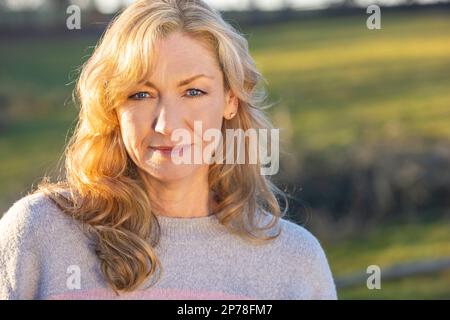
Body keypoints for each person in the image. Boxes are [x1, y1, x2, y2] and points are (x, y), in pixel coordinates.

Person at [0, 0, 337, 300]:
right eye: (141, 94)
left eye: (193, 92)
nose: (166, 125)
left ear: (230, 100)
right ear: (112, 108)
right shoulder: (39, 233)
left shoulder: (293, 261)